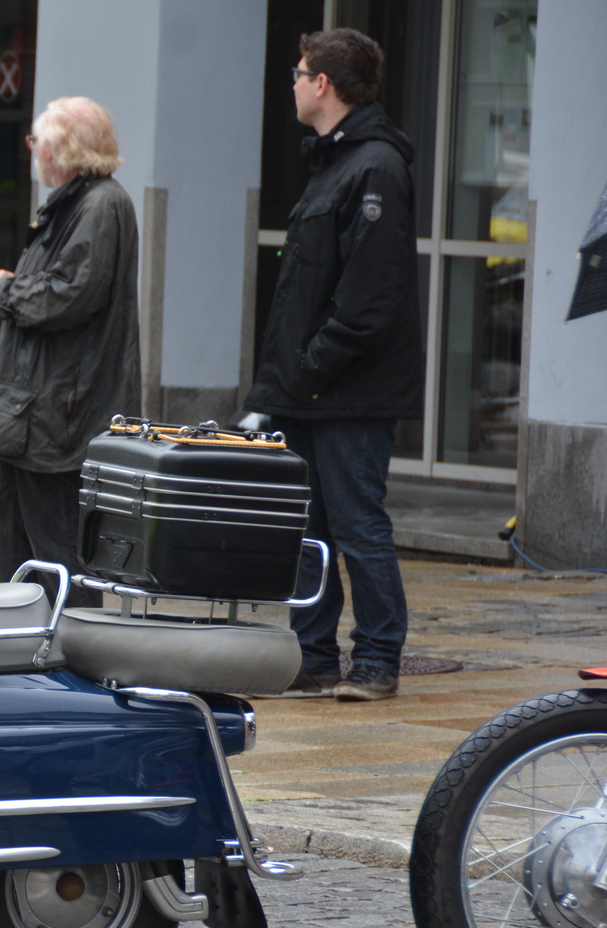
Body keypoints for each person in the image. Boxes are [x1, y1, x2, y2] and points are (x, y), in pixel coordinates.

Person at [246, 29, 422, 702]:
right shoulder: (333, 162)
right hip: (309, 390)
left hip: (349, 391)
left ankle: (377, 659)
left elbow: (368, 301)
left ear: (324, 84)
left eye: (298, 74)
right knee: (308, 529)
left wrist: (309, 368)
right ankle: (313, 656)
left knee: (355, 523)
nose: (291, 83)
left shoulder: (375, 166)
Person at [0, 96, 139, 611]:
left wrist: (3, 291)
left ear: (61, 150)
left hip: (59, 417)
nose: (31, 148)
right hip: (35, 417)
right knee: (13, 535)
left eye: (36, 139)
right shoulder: (80, 201)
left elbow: (69, 296)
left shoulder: (100, 204)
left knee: (59, 550)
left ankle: (72, 660)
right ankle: (24, 649)